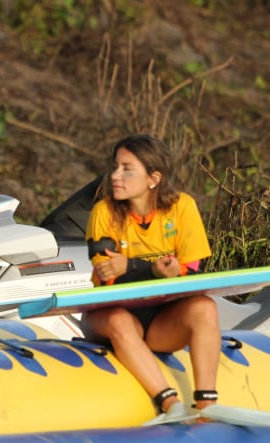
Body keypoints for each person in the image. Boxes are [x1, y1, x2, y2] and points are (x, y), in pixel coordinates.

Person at [81, 133, 221, 423]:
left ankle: (207, 406)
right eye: (115, 167)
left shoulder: (183, 207)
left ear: (153, 178)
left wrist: (134, 267)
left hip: (161, 323)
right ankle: (170, 404)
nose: (115, 176)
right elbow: (109, 276)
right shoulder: (103, 211)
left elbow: (192, 273)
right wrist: (152, 270)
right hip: (111, 318)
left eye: (127, 169)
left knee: (205, 307)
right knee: (119, 318)